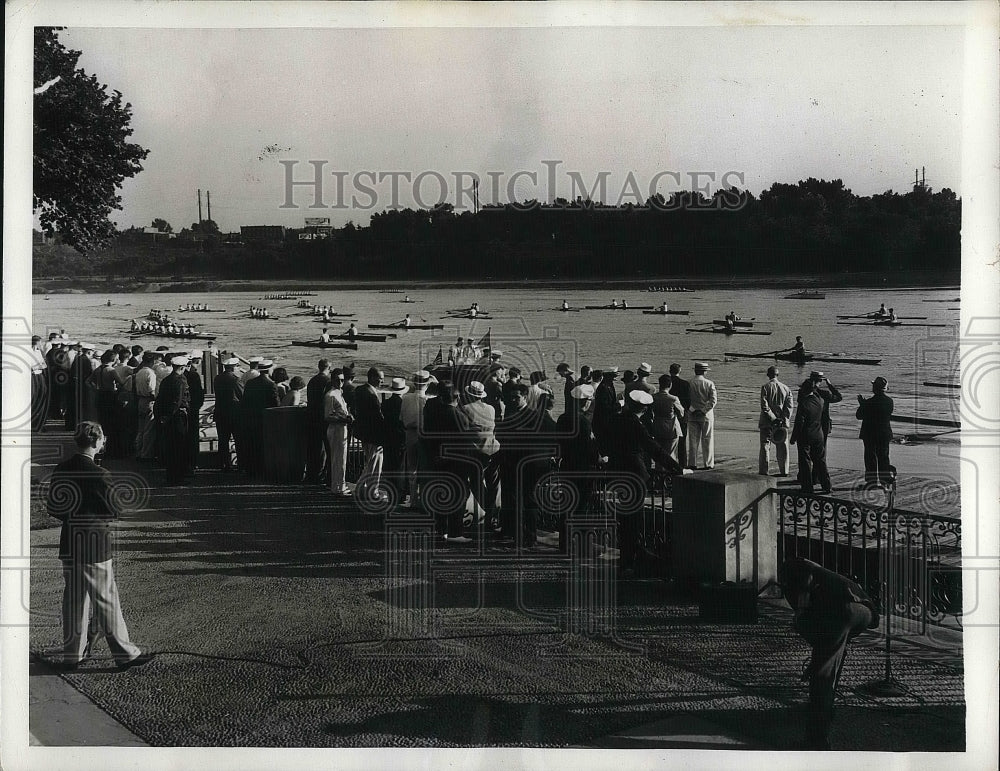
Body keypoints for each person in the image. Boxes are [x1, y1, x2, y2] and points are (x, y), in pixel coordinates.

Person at [46, 421, 153, 671]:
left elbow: (54, 507)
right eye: (102, 439)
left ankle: (73, 654)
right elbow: (115, 508)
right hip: (94, 543)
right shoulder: (99, 474)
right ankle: (124, 653)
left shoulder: (62, 469)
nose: (103, 442)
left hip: (71, 539)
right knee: (105, 597)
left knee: (73, 599)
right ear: (95, 442)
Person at [781, 558, 879, 750]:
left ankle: (816, 741)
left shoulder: (798, 572)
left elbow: (803, 609)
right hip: (864, 614)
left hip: (842, 612)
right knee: (830, 657)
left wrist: (799, 618)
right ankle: (827, 707)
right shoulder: (826, 575)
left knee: (821, 677)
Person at [605, 390, 682, 575]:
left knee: (626, 519)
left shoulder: (616, 420)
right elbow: (654, 449)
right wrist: (677, 468)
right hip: (635, 475)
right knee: (634, 519)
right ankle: (630, 562)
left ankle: (627, 559)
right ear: (645, 409)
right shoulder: (636, 424)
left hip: (618, 474)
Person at [494, 381, 558, 548]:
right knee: (515, 500)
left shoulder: (535, 416)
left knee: (528, 500)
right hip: (513, 463)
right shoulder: (513, 414)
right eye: (511, 398)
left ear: (525, 397)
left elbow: (554, 434)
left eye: (516, 398)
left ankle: (529, 536)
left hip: (529, 464)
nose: (513, 400)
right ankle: (516, 532)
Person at [422, 382, 476, 543]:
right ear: (457, 398)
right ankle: (455, 532)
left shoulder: (433, 412)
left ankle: (441, 529)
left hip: (436, 459)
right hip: (455, 463)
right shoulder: (460, 417)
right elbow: (463, 443)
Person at [555, 383, 603, 552]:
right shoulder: (583, 422)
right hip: (583, 470)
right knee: (583, 507)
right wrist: (600, 459)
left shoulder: (562, 418)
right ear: (586, 402)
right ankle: (584, 546)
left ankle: (565, 544)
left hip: (567, 467)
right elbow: (590, 448)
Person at [461, 380, 501, 528]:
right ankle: (494, 511)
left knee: (476, 482)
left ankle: (487, 509)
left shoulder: (465, 409)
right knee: (493, 481)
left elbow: (463, 431)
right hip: (493, 447)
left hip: (477, 450)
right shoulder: (491, 408)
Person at [153, 355, 191, 485]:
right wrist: (169, 416)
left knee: (171, 447)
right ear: (182, 367)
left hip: (167, 417)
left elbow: (160, 399)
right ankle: (178, 477)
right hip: (177, 417)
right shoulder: (180, 381)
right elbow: (177, 401)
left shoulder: (166, 380)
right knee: (179, 446)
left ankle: (171, 476)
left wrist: (161, 417)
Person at [790, 379, 832, 494]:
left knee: (805, 462)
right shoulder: (820, 400)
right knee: (820, 461)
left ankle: (807, 487)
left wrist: (793, 438)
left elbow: (799, 423)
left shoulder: (803, 403)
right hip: (819, 434)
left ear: (804, 390)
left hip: (805, 436)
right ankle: (827, 485)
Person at [239, 359, 279, 476]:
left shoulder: (250, 383)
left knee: (253, 444)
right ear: (269, 370)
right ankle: (263, 469)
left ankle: (251, 469)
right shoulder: (271, 385)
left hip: (251, 419)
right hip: (265, 420)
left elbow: (245, 401)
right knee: (263, 445)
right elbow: (276, 405)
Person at [353, 367, 388, 501]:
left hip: (363, 432)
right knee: (375, 464)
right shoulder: (372, 396)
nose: (382, 381)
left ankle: (362, 489)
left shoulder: (360, 390)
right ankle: (371, 491)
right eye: (380, 378)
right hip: (374, 434)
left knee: (370, 462)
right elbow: (378, 418)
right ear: (372, 378)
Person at [400, 370, 433, 507]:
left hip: (409, 434)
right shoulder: (428, 400)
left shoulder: (405, 398)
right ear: (427, 385)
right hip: (424, 436)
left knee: (412, 468)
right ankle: (424, 500)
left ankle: (413, 500)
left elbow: (401, 418)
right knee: (425, 467)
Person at [856, 376, 894, 488]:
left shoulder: (869, 402)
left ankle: (871, 482)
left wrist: (862, 404)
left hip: (870, 433)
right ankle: (885, 481)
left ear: (875, 388)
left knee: (870, 457)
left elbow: (859, 416)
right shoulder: (889, 401)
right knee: (884, 457)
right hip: (884, 433)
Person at [759, 366, 793, 476]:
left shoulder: (765, 387)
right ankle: (784, 470)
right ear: (777, 375)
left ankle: (764, 470)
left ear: (768, 375)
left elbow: (765, 407)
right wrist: (783, 419)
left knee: (765, 445)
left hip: (767, 421)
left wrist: (773, 418)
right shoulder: (786, 388)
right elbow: (789, 407)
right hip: (781, 422)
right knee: (782, 446)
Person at [324, 368, 354, 496]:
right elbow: (327, 416)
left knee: (341, 458)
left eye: (342, 380)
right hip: (336, 428)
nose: (340, 382)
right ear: (332, 380)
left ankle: (339, 484)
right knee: (338, 458)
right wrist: (344, 419)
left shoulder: (339, 392)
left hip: (342, 428)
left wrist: (347, 416)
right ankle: (337, 487)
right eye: (338, 380)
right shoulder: (330, 395)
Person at [380, 377, 409, 501]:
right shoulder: (403, 404)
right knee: (400, 467)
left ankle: (391, 491)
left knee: (390, 465)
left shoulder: (385, 404)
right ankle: (400, 493)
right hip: (400, 438)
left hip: (388, 437)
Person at [304, 359, 332, 484]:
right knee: (323, 449)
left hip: (311, 417)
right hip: (322, 418)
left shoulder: (312, 380)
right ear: (329, 368)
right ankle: (320, 474)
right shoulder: (327, 382)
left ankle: (311, 473)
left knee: (313, 447)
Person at [213, 357, 243, 472]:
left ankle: (224, 464)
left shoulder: (217, 378)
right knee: (238, 439)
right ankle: (241, 463)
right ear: (233, 367)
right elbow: (242, 395)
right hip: (234, 413)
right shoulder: (236, 380)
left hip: (220, 412)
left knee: (223, 440)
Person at [686, 362, 718, 470]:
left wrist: (692, 409)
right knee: (707, 439)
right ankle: (708, 464)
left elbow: (686, 399)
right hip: (706, 416)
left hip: (692, 414)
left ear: (695, 370)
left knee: (693, 440)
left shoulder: (689, 383)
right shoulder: (709, 383)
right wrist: (703, 410)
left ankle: (692, 463)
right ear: (704, 372)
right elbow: (713, 401)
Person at [651, 374, 684, 465]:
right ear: (670, 385)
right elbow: (681, 414)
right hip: (671, 428)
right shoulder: (673, 399)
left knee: (659, 454)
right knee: (671, 454)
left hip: (657, 426)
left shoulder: (654, 397)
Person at [184, 351, 206, 474]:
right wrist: (197, 406)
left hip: (184, 409)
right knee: (192, 437)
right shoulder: (194, 375)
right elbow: (198, 393)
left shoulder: (183, 375)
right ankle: (193, 463)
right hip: (192, 409)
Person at [810, 371, 843, 447]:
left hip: (810, 424)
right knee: (822, 448)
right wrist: (830, 385)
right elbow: (839, 397)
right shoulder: (825, 394)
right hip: (823, 423)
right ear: (821, 380)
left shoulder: (804, 393)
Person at [592, 367, 621, 452]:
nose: (615, 377)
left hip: (606, 421)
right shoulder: (604, 388)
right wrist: (619, 405)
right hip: (603, 423)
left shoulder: (608, 385)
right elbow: (605, 407)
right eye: (614, 376)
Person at [668, 363, 691, 468]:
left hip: (669, 414)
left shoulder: (667, 382)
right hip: (682, 415)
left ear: (670, 371)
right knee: (682, 440)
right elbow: (688, 402)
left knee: (669, 441)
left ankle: (670, 463)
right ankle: (683, 464)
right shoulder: (685, 384)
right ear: (679, 371)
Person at [30, 335, 49, 432]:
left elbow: (44, 365)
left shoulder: (38, 352)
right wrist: (38, 366)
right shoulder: (29, 352)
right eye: (39, 342)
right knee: (34, 398)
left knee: (42, 397)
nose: (41, 344)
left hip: (39, 376)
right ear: (36, 342)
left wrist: (37, 366)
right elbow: (31, 367)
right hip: (33, 377)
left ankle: (39, 423)